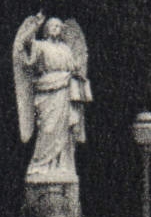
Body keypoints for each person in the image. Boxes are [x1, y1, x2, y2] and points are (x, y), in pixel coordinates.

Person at [12, 13, 92, 177]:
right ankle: (40, 164)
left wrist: (77, 74)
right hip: (48, 92)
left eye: (59, 26)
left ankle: (62, 164)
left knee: (65, 131)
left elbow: (74, 67)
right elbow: (24, 43)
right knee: (48, 129)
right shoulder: (40, 46)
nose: (57, 28)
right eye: (53, 26)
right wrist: (36, 25)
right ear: (47, 30)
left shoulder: (65, 48)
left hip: (65, 91)